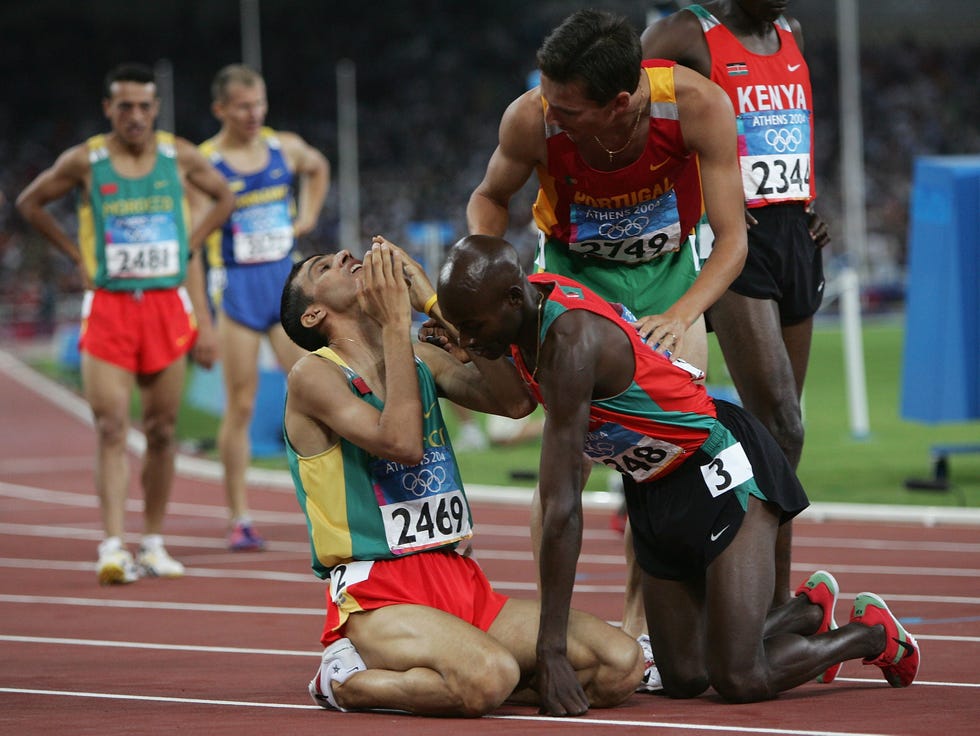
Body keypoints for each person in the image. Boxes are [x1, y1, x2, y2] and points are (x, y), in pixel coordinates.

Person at [437, 234, 920, 714]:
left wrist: (552, 650)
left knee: (739, 677)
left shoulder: (570, 341)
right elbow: (512, 399)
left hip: (714, 465)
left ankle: (870, 635)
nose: (468, 341)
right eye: (460, 329)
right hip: (652, 489)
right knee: (684, 676)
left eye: (473, 326)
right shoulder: (524, 317)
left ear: (513, 298)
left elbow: (562, 506)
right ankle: (805, 613)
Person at [465, 7, 748, 689]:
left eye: (567, 107)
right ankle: (547, 630)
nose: (551, 113)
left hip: (668, 279)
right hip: (569, 275)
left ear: (620, 102)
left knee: (664, 453)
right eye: (548, 98)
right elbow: (488, 197)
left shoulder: (699, 105)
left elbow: (733, 240)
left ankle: (637, 627)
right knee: (563, 460)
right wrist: (489, 264)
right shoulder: (531, 118)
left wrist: (680, 316)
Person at [278, 236, 642, 717]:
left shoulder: (420, 360)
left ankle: (468, 676)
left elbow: (514, 403)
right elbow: (403, 444)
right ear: (313, 316)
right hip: (378, 596)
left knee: (621, 663)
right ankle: (344, 682)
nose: (346, 256)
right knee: (491, 675)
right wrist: (393, 324)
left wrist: (433, 301)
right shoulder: (314, 377)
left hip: (460, 580)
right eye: (324, 267)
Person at [642, 1, 831, 610]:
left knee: (784, 431)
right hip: (734, 239)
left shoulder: (790, 32)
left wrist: (801, 198)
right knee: (782, 420)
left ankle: (769, 592)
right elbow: (636, 120)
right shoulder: (682, 33)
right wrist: (701, 194)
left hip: (794, 236)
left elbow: (789, 123)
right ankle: (760, 600)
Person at [16, 63, 235, 584]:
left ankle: (154, 543)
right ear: (108, 109)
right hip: (111, 309)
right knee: (112, 426)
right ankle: (113, 546)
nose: (134, 115)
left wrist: (190, 242)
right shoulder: (87, 160)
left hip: (165, 305)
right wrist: (76, 256)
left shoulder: (177, 156)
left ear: (154, 110)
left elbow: (225, 197)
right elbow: (30, 203)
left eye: (143, 106)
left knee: (161, 431)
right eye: (124, 106)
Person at [189, 64, 330, 551]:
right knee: (242, 403)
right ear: (221, 109)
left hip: (283, 286)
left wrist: (308, 215)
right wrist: (201, 321)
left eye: (260, 104)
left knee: (316, 391)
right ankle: (239, 516)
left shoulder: (282, 148)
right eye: (244, 106)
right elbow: (191, 243)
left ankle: (327, 501)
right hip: (237, 293)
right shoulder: (205, 164)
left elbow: (317, 166)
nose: (254, 114)